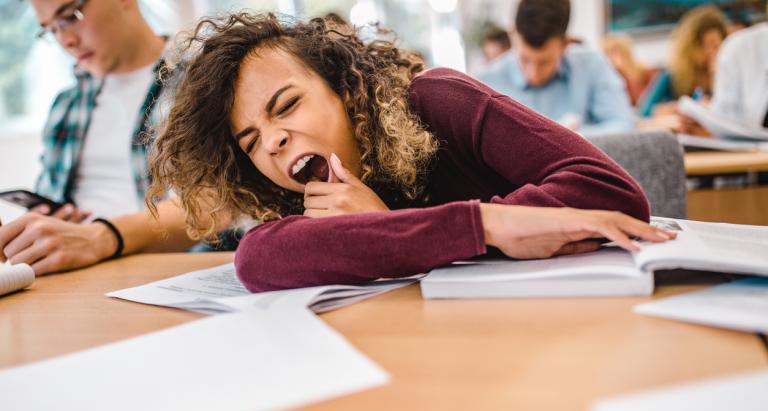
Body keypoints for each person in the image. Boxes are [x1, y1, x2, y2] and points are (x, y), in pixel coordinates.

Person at [147, 13, 672, 293]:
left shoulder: (438, 99)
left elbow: (613, 194)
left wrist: (393, 228)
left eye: (286, 106)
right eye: (252, 141)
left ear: (343, 88)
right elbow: (259, 259)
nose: (273, 141)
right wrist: (486, 225)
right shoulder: (305, 197)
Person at [0, 0, 222, 276]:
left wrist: (100, 237)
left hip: (167, 269)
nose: (65, 40)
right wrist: (51, 225)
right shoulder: (66, 106)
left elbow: (215, 204)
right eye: (51, 30)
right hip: (75, 272)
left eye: (70, 16)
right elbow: (50, 200)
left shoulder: (203, 83)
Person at [476, 0, 634, 135]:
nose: (533, 74)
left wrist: (571, 138)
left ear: (566, 44)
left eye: (545, 62)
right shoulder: (485, 83)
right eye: (524, 59)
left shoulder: (591, 65)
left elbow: (624, 126)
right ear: (513, 35)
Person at [639, 5, 727, 118]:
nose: (709, 51)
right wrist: (675, 108)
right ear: (689, 47)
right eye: (702, 45)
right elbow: (645, 111)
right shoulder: (671, 75)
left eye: (714, 45)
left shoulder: (728, 76)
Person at [600, 33, 658, 106]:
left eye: (613, 51)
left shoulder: (648, 73)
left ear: (625, 51)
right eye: (606, 53)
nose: (609, 58)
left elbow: (642, 102)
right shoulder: (614, 77)